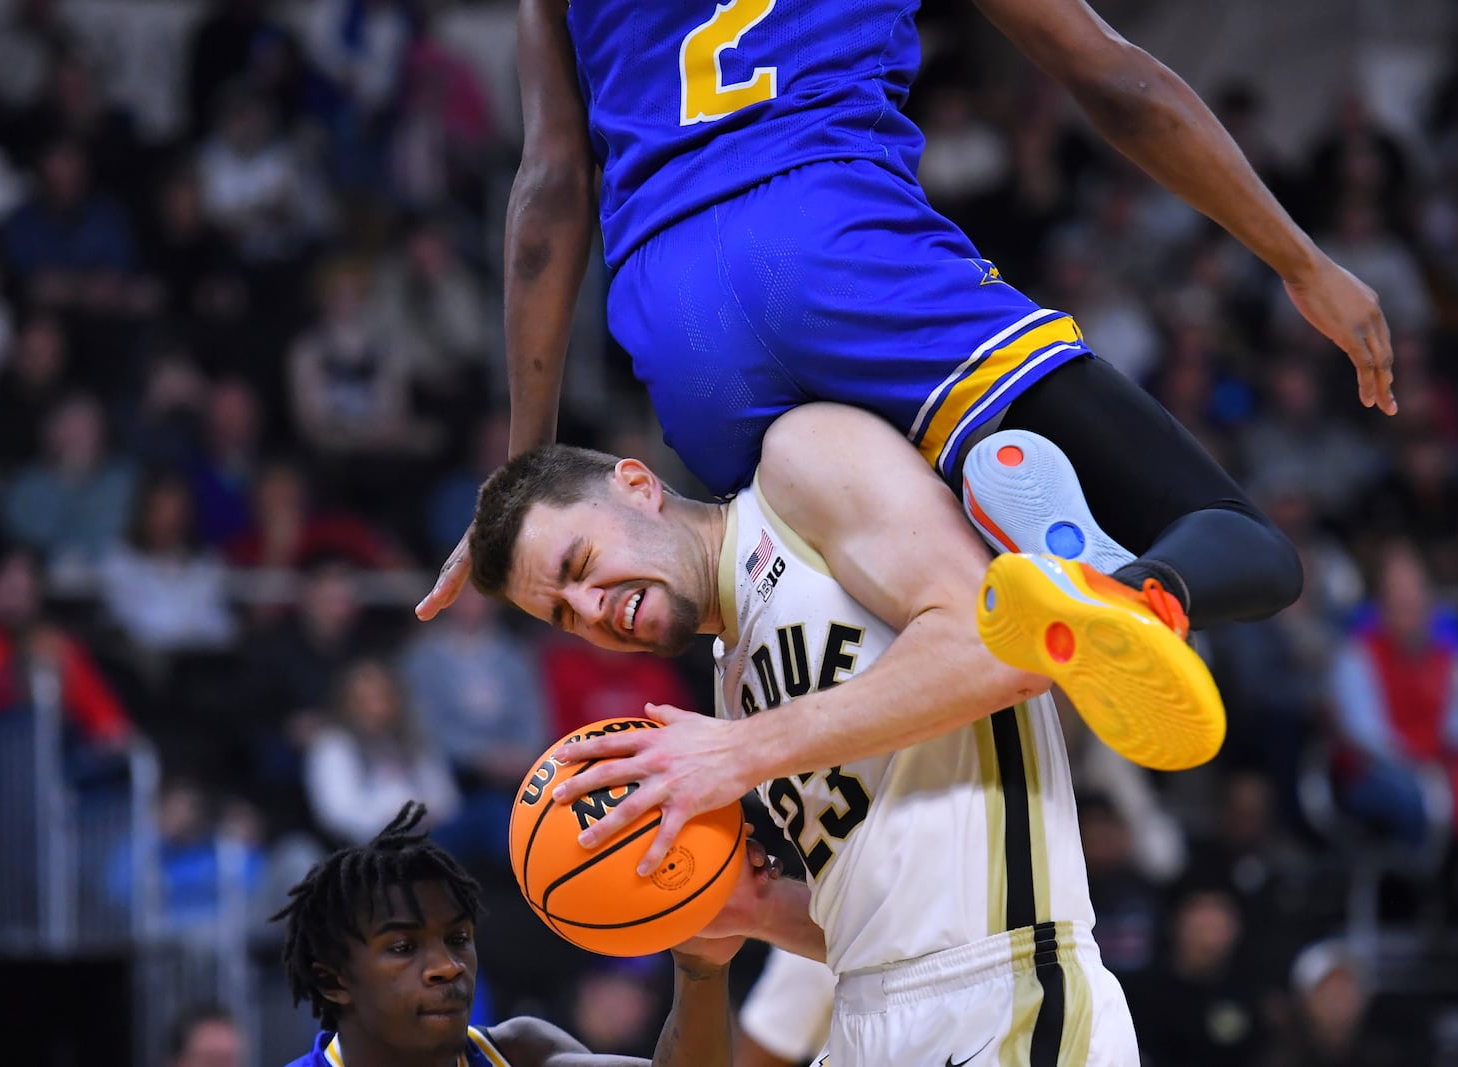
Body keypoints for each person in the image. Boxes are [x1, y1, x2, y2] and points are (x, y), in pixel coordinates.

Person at [419, 0, 1397, 702]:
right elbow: (1114, 76)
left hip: (679, 323)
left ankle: (988, 516)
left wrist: (524, 475)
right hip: (834, 243)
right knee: (1245, 545)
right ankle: (1119, 584)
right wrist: (1297, 257)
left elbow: (548, 189)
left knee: (850, 623)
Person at [469, 403, 1146, 1064]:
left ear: (638, 485)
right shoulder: (731, 683)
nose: (591, 609)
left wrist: (741, 749)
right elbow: (881, 930)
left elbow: (1007, 649)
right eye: (563, 613)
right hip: (865, 1012)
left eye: (580, 563)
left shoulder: (799, 467)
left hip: (1007, 999)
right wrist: (752, 908)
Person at [272, 801, 754, 1067]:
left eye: (458, 939)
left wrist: (701, 968)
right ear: (334, 980)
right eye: (402, 947)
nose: (447, 966)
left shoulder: (520, 1053)